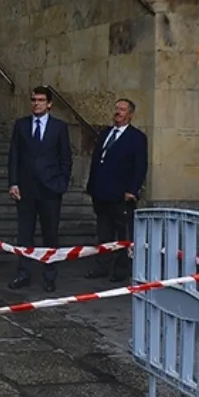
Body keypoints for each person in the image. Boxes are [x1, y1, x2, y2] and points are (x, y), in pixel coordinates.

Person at [7, 86, 72, 292]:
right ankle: (23, 273)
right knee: (24, 234)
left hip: (50, 188)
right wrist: (13, 182)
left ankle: (50, 275)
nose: (37, 103)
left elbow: (65, 158)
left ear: (49, 103)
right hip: (26, 188)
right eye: (34, 99)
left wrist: (61, 183)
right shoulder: (21, 125)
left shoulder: (59, 127)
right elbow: (14, 155)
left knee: (50, 234)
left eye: (41, 100)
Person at [84, 98, 148, 283]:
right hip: (101, 192)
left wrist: (132, 189)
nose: (117, 112)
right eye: (116, 108)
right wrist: (91, 185)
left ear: (130, 114)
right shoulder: (105, 134)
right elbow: (96, 160)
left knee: (123, 233)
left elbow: (140, 166)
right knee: (103, 231)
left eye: (122, 109)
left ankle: (121, 269)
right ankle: (102, 265)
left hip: (122, 194)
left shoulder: (136, 137)